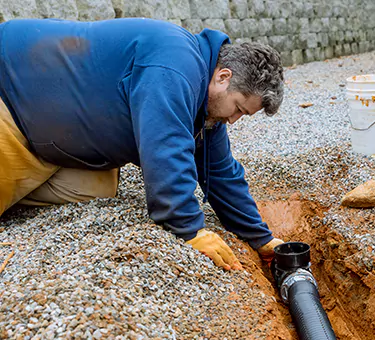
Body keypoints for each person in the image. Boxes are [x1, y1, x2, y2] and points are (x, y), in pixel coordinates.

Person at [0, 18, 284, 270]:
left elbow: (220, 171)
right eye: (238, 109)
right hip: (12, 101)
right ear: (224, 77)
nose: (233, 120)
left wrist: (261, 238)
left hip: (49, 132)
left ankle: (18, 185)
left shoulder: (205, 105)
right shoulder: (176, 64)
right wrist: (189, 230)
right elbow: (166, 146)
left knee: (97, 187)